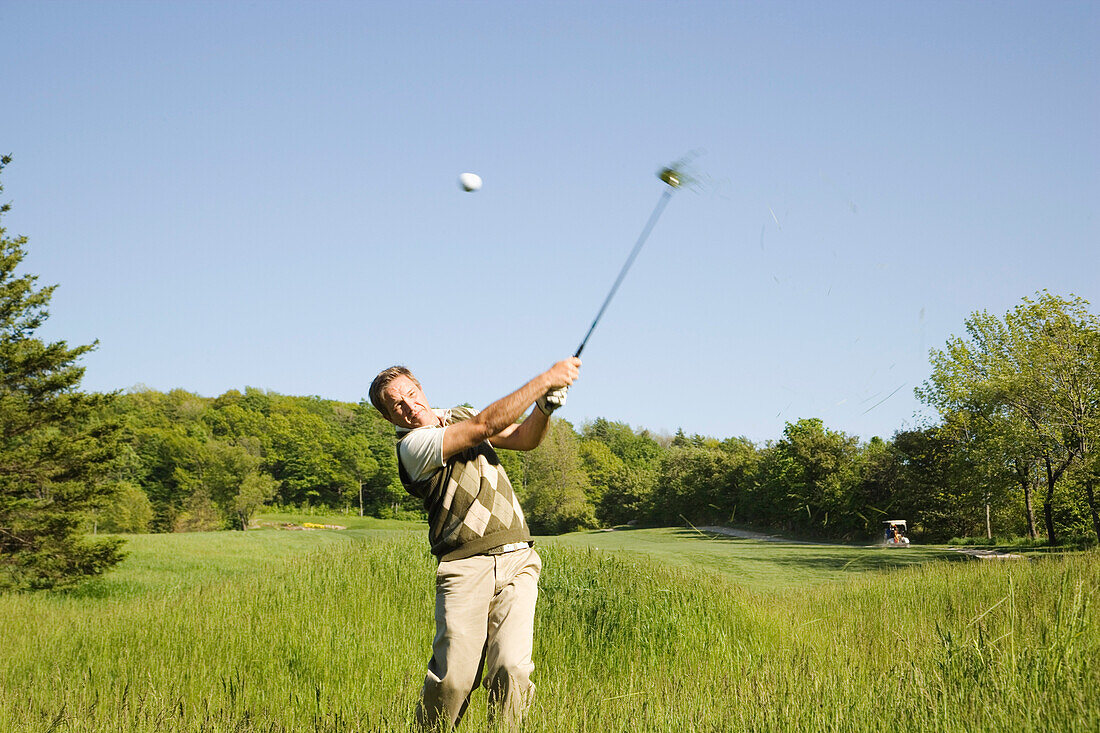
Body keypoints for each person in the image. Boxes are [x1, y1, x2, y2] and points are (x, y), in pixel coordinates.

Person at [369, 357, 581, 731]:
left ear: (421, 388)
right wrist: (546, 379)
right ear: (390, 418)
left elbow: (524, 439)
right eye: (395, 404)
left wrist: (544, 408)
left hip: (518, 558)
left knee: (512, 670)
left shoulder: (459, 414)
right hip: (465, 565)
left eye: (410, 393)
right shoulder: (413, 446)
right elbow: (485, 424)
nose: (408, 404)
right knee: (453, 680)